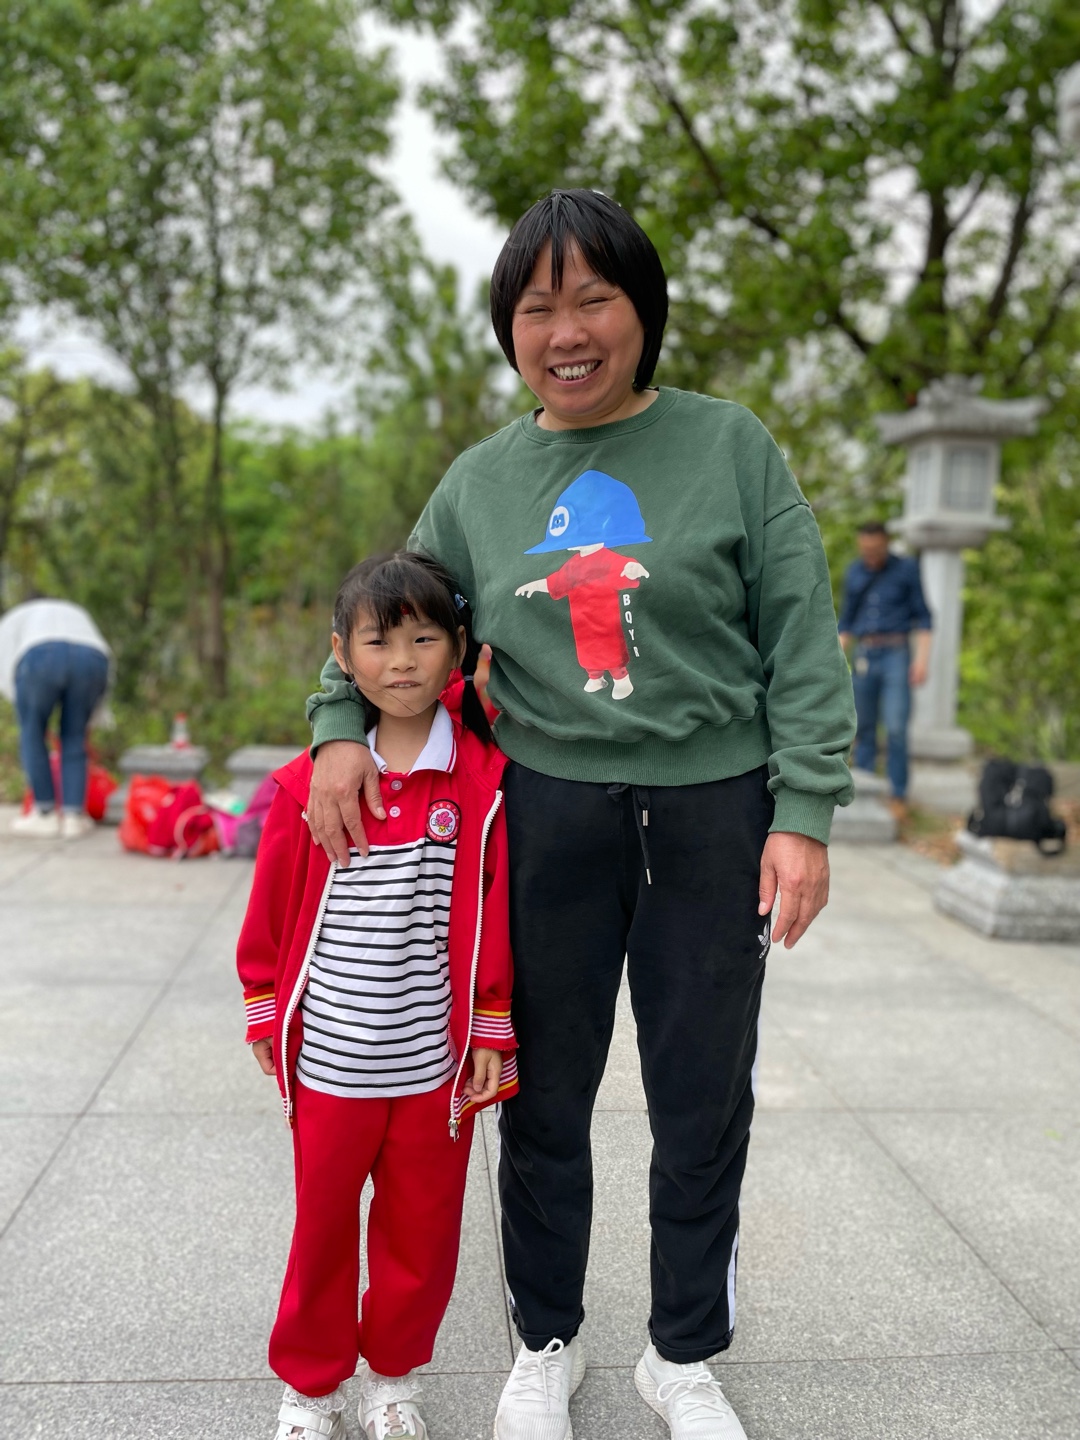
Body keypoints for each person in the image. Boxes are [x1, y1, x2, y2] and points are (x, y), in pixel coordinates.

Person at [304, 190, 857, 1440]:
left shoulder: (730, 446)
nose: (567, 331)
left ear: (641, 312)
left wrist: (806, 808)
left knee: (701, 1095)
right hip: (541, 816)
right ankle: (544, 1341)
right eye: (537, 307)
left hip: (715, 813)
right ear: (509, 329)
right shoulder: (481, 482)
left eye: (594, 299)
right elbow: (394, 619)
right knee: (540, 1091)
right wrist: (339, 725)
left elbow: (801, 633)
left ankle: (682, 1354)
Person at [236, 552, 518, 1440]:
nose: (401, 662)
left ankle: (394, 1380)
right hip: (332, 1063)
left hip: (431, 1069)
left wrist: (490, 1024)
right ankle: (310, 1388)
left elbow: (494, 911)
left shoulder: (480, 782)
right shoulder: (309, 783)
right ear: (342, 655)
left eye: (424, 640)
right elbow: (273, 901)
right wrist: (263, 999)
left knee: (419, 1238)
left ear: (457, 649)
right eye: (378, 642)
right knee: (323, 1230)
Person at [837, 521, 933, 816]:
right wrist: (836, 664)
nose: (870, 554)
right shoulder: (854, 572)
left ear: (886, 544)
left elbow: (924, 617)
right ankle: (864, 795)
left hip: (896, 653)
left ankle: (898, 795)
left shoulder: (906, 569)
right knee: (862, 727)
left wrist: (922, 660)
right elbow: (846, 622)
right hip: (865, 653)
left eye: (875, 549)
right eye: (865, 549)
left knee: (895, 727)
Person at [0, 596, 111, 839]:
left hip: (41, 654)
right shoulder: (75, 610)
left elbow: (6, 665)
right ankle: (73, 817)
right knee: (75, 735)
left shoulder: (15, 619)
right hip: (93, 658)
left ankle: (45, 813)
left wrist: (28, 710)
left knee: (32, 733)